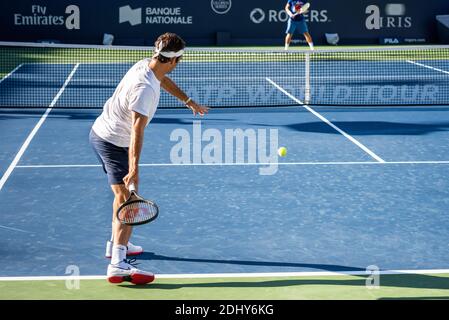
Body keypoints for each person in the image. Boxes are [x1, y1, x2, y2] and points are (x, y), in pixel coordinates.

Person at [89, 32, 209, 284]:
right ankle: (118, 264)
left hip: (103, 133)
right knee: (129, 202)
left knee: (121, 197)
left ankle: (116, 245)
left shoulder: (147, 64)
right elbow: (136, 131)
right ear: (175, 60)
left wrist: (188, 101)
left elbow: (162, 79)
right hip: (112, 142)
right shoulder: (145, 90)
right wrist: (134, 169)